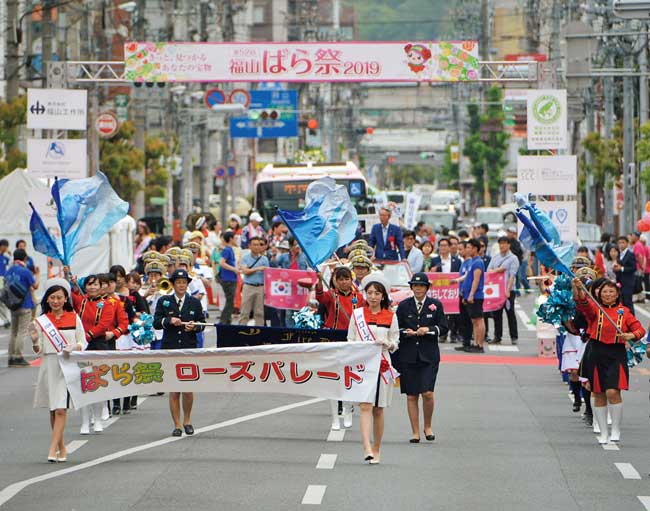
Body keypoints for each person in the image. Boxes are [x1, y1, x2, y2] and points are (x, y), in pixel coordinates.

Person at [573, 277, 645, 443]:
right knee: (598, 393)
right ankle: (603, 432)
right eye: (604, 291)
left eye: (611, 291)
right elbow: (582, 304)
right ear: (600, 294)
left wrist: (631, 335)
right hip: (596, 352)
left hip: (616, 354)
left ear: (617, 293)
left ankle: (616, 430)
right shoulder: (595, 309)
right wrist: (577, 288)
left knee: (613, 391)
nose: (607, 294)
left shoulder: (624, 312)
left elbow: (640, 329)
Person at [29, 279, 86, 462]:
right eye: (52, 297)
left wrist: (74, 347)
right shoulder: (41, 321)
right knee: (53, 409)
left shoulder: (73, 317)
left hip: (67, 365)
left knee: (61, 408)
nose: (55, 301)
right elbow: (38, 351)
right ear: (47, 299)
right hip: (49, 365)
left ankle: (52, 449)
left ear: (65, 299)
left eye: (59, 297)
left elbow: (83, 342)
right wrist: (35, 340)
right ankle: (62, 447)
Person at [348, 273, 399, 464]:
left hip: (382, 365)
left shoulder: (391, 316)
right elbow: (350, 340)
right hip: (362, 365)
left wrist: (388, 344)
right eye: (369, 293)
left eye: (377, 293)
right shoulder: (357, 315)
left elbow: (396, 340)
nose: (373, 297)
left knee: (378, 409)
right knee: (365, 406)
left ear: (383, 296)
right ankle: (366, 447)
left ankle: (377, 447)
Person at [68, 272, 128, 432]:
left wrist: (89, 337)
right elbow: (70, 295)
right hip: (81, 345)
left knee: (97, 383)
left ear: (101, 287)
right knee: (82, 384)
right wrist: (72, 281)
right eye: (89, 284)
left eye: (96, 284)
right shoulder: (80, 301)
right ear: (85, 287)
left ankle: (98, 417)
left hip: (98, 343)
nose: (93, 287)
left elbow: (104, 324)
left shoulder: (109, 303)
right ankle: (84, 421)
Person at [396, 273, 447, 443]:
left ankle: (428, 425)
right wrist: (406, 332)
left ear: (427, 288)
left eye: (421, 286)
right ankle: (415, 431)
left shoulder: (435, 305)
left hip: (429, 355)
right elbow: (396, 329)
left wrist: (429, 329)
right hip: (408, 355)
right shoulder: (403, 306)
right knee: (411, 395)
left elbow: (444, 327)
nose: (418, 288)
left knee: (427, 393)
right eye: (415, 286)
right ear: (411, 288)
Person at [153, 269, 206, 437]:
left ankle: (187, 420)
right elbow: (156, 323)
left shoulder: (194, 303)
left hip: (189, 348)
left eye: (184, 283)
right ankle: (176, 424)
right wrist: (169, 321)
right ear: (173, 284)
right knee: (174, 389)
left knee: (188, 388)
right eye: (178, 283)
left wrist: (194, 326)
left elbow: (202, 324)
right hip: (171, 348)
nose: (182, 285)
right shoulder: (164, 301)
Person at [315, 266, 365, 430]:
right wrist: (319, 280)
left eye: (346, 279)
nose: (344, 282)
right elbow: (320, 298)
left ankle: (348, 409)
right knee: (333, 375)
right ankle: (335, 418)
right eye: (340, 279)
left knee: (348, 374)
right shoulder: (331, 295)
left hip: (352, 338)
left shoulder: (358, 297)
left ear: (351, 280)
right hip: (333, 337)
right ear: (335, 281)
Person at [6, 249, 39, 366]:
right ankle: (18, 356)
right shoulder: (26, 272)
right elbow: (35, 286)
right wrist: (38, 274)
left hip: (13, 305)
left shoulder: (9, 271)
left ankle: (11, 357)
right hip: (25, 305)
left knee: (13, 332)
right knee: (22, 332)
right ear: (25, 259)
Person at [454, 239, 485, 353]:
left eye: (469, 247)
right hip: (469, 295)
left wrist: (471, 295)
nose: (467, 250)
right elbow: (467, 278)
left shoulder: (478, 262)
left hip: (476, 296)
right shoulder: (472, 262)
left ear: (475, 248)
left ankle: (479, 345)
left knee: (478, 320)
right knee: (474, 321)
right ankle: (476, 343)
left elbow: (476, 280)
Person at [487, 236, 519, 345]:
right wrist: (498, 270)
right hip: (496, 290)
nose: (502, 245)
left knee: (510, 313)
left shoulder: (513, 258)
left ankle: (514, 336)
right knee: (496, 314)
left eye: (504, 243)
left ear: (509, 245)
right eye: (500, 243)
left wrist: (508, 290)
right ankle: (497, 336)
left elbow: (512, 275)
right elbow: (489, 271)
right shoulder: (495, 257)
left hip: (508, 290)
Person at [239, 236, 269, 326]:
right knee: (244, 312)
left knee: (259, 313)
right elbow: (245, 271)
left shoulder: (264, 259)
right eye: (254, 244)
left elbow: (268, 275)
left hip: (260, 287)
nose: (257, 247)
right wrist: (258, 268)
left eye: (259, 245)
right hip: (248, 286)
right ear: (249, 246)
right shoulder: (245, 258)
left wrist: (266, 289)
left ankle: (259, 333)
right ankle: (241, 331)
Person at [218, 231, 239, 325]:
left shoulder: (230, 249)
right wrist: (234, 269)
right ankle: (224, 320)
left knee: (230, 300)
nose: (236, 240)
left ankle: (227, 320)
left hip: (231, 278)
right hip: (228, 279)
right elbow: (222, 262)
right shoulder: (227, 249)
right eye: (235, 238)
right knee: (230, 301)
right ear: (230, 239)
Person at [613, 235, 636, 314]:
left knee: (628, 301)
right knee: (621, 302)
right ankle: (624, 320)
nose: (621, 244)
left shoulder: (630, 254)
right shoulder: (619, 254)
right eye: (619, 243)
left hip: (628, 282)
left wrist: (622, 269)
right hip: (620, 281)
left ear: (627, 243)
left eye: (623, 242)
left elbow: (634, 268)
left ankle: (632, 319)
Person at [630, 231, 646, 303]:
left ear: (636, 237)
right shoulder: (640, 244)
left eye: (632, 236)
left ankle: (638, 297)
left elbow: (639, 256)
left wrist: (641, 266)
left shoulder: (637, 245)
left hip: (637, 266)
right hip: (639, 266)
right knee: (638, 282)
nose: (631, 237)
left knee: (637, 283)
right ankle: (641, 297)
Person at [0, 238, 10, 327]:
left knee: (3, 300)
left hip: (3, 281)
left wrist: (10, 255)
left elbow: (10, 263)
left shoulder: (5, 258)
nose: (7, 249)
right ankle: (5, 319)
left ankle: (5, 319)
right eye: (6, 247)